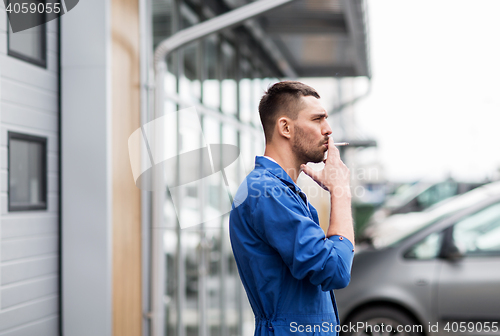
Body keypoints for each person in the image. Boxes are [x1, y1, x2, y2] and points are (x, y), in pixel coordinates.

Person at [229, 81, 355, 335]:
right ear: (285, 127)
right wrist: (340, 192)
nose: (328, 130)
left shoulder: (280, 191)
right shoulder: (267, 192)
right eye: (318, 119)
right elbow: (335, 270)